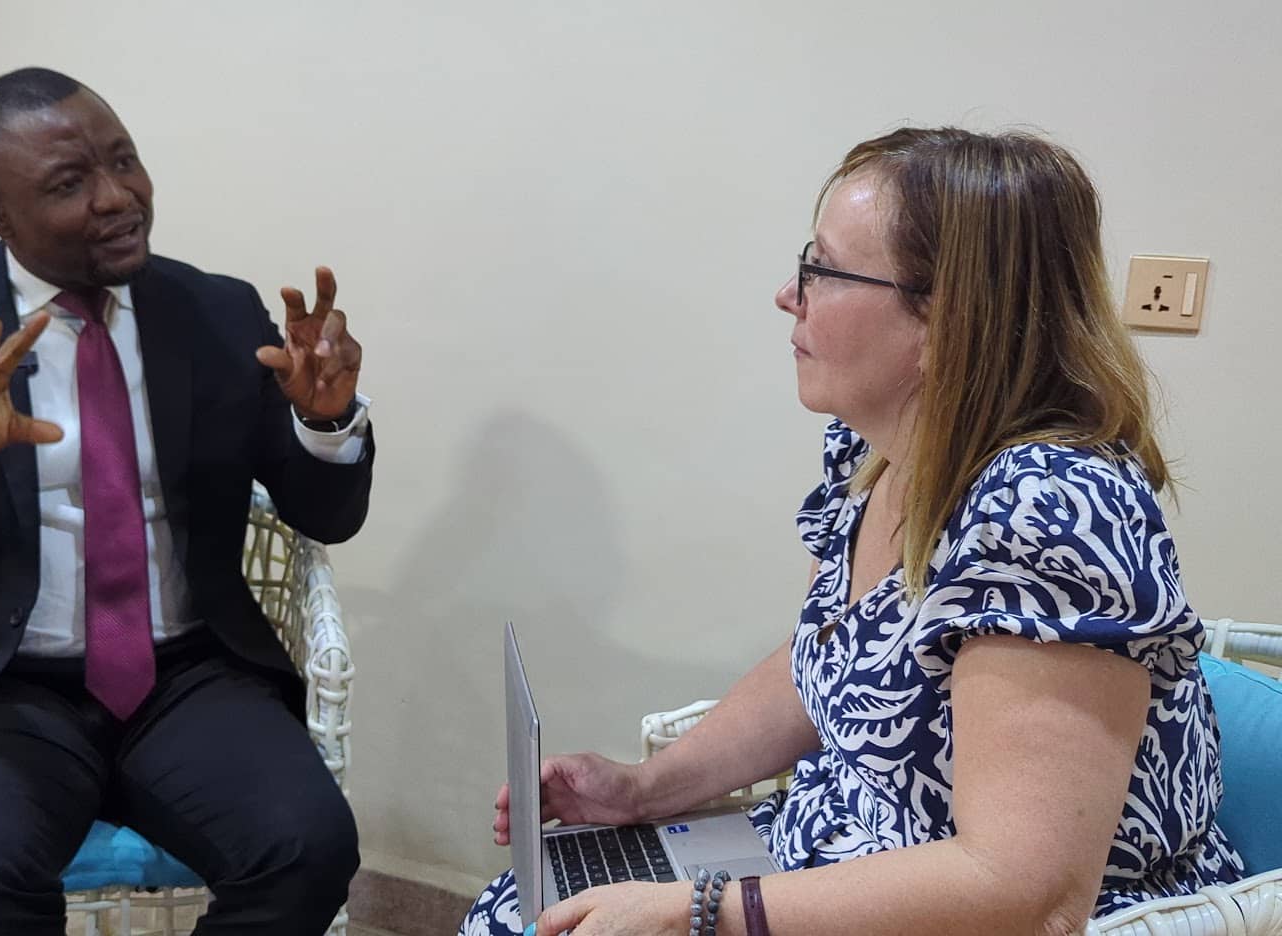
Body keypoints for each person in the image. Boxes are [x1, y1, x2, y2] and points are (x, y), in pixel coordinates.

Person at [464, 127, 1245, 936]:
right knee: (522, 909)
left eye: (824, 271)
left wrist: (700, 912)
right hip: (838, 855)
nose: (788, 295)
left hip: (971, 915)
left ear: (947, 320)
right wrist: (643, 790)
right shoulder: (878, 451)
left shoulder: (1052, 514)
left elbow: (1026, 892)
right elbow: (829, 666)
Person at [0, 67, 375, 936]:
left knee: (309, 848)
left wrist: (325, 423)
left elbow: (326, 517)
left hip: (189, 676)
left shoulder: (217, 309)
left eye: (124, 160)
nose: (117, 197)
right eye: (68, 184)